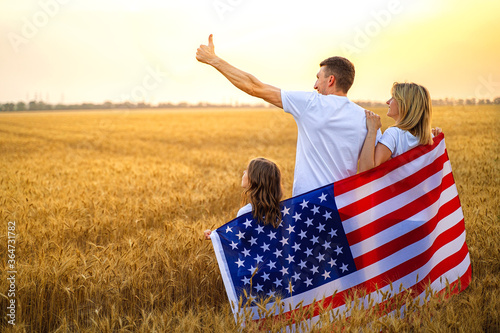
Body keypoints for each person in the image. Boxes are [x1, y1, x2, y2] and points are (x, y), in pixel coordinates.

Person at [196, 34, 380, 197]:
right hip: (344, 210)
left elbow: (254, 87)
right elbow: (371, 170)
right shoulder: (367, 119)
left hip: (307, 207)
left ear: (331, 80)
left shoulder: (311, 104)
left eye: (318, 78)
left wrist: (214, 60)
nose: (315, 85)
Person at [358, 82, 440, 171]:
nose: (387, 101)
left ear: (404, 104)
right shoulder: (430, 138)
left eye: (393, 97)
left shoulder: (394, 134)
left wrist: (372, 130)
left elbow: (366, 171)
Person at [204, 157, 283, 240]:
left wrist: (215, 237)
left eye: (247, 170)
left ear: (254, 179)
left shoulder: (246, 212)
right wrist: (214, 235)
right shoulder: (283, 210)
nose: (243, 172)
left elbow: (239, 242)